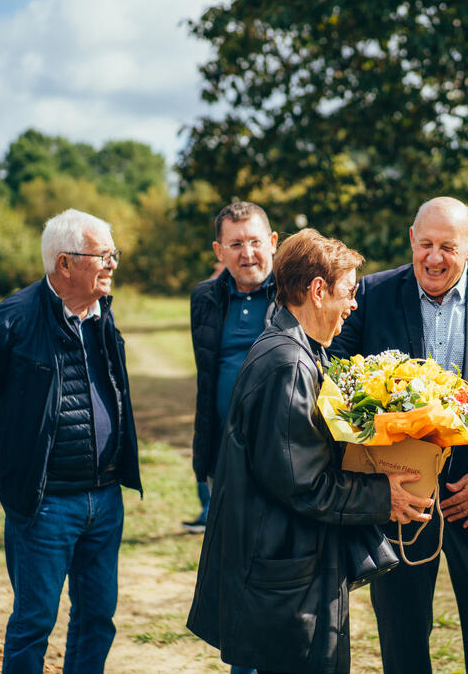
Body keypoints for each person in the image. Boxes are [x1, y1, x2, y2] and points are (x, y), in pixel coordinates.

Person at [187, 228, 433, 674]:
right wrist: (384, 495)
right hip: (286, 572)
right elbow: (302, 483)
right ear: (318, 291)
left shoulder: (300, 350)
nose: (354, 305)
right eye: (349, 292)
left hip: (294, 563)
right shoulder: (287, 363)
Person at [328, 196, 468, 674]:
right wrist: (375, 479)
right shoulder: (372, 294)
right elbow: (339, 377)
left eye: (448, 246)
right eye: (425, 244)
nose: (434, 257)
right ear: (411, 239)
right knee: (401, 629)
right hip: (399, 494)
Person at [0, 208, 142, 674]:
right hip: (46, 505)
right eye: (103, 255)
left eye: (113, 253)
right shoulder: (12, 319)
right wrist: (10, 456)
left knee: (97, 619)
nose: (113, 263)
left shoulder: (101, 314)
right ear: (64, 263)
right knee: (34, 622)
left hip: (104, 500)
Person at [183, 202, 279, 537]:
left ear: (273, 242)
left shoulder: (296, 293)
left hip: (282, 456)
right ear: (219, 251)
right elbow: (207, 376)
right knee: (229, 550)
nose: (247, 253)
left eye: (255, 241)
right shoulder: (203, 297)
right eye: (236, 244)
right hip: (222, 454)